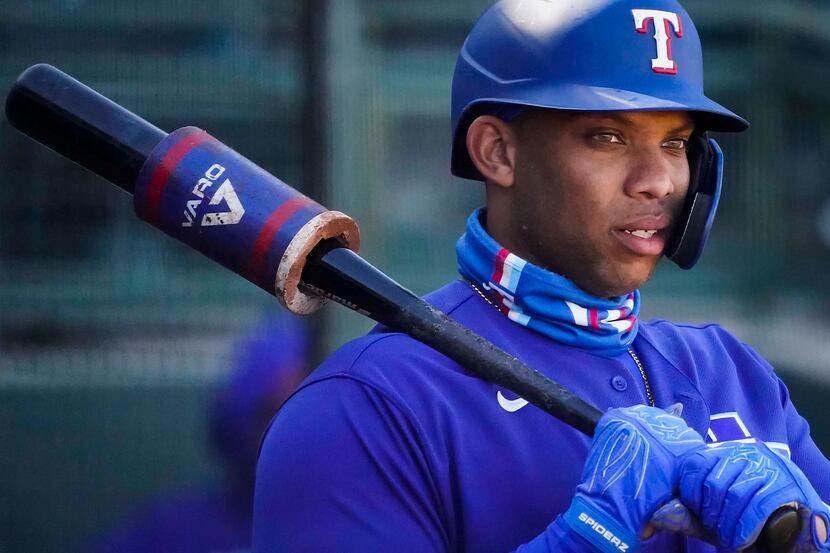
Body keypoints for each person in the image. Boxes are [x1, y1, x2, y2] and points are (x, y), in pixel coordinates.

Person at [252, 1, 830, 551]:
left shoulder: (734, 375)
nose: (658, 180)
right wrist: (589, 535)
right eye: (608, 137)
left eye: (675, 143)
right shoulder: (368, 407)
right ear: (497, 152)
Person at [85, 314, 308, 553]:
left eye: (304, 413)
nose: (291, 436)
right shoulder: (175, 532)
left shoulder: (340, 526)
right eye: (271, 413)